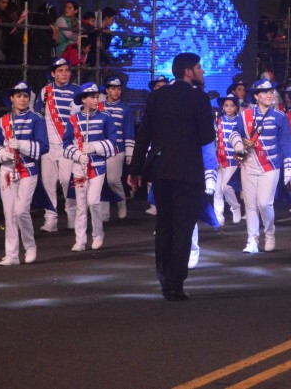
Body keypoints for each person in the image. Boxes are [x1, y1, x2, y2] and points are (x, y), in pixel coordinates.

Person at [128, 52, 216, 301]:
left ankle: (164, 279)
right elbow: (206, 137)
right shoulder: (199, 97)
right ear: (188, 72)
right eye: (199, 67)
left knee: (164, 226)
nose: (202, 72)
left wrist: (136, 170)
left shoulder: (157, 95)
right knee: (183, 228)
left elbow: (144, 134)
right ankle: (176, 284)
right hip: (188, 171)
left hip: (161, 169)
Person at [230, 78, 291, 254]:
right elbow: (235, 132)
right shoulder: (246, 115)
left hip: (271, 164)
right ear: (257, 96)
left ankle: (269, 233)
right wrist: (238, 145)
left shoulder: (280, 117)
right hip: (249, 164)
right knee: (250, 205)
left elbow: (286, 143)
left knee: (265, 203)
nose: (269, 95)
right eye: (265, 92)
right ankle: (252, 240)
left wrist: (289, 165)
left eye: (271, 91)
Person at [0, 81, 49, 265]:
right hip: (7, 170)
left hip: (28, 169)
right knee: (9, 213)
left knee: (21, 210)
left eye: (25, 96)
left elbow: (44, 147)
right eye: (18, 96)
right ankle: (12, 254)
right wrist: (3, 153)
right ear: (12, 99)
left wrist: (22, 145)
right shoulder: (3, 120)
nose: (22, 99)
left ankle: (30, 247)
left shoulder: (37, 119)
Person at [62, 82, 119, 251]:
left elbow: (113, 142)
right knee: (80, 205)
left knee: (93, 202)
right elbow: (65, 144)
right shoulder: (73, 120)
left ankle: (98, 234)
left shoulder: (105, 117)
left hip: (98, 167)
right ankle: (80, 240)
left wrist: (95, 147)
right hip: (79, 167)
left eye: (97, 96)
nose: (96, 100)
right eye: (93, 97)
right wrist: (78, 155)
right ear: (84, 100)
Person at [37, 57, 81, 232]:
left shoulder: (77, 91)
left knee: (66, 180)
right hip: (48, 144)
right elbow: (38, 116)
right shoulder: (45, 91)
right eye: (60, 71)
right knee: (48, 182)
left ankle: (71, 215)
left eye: (67, 70)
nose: (64, 74)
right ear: (53, 73)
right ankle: (51, 219)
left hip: (67, 144)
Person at [99, 74, 135, 221]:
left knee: (113, 180)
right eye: (113, 89)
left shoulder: (125, 109)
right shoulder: (99, 107)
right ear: (107, 90)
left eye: (119, 89)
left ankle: (121, 202)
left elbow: (129, 130)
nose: (116, 92)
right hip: (100, 149)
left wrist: (129, 153)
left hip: (117, 149)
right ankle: (104, 213)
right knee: (100, 181)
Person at [213, 94, 244, 225]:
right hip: (219, 158)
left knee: (226, 187)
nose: (229, 108)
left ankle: (235, 207)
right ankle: (218, 216)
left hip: (233, 160)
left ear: (236, 107)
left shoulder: (240, 121)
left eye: (232, 105)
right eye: (226, 105)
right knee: (217, 190)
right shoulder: (217, 120)